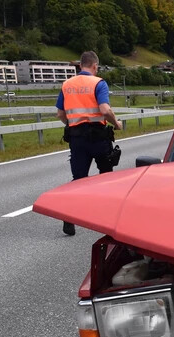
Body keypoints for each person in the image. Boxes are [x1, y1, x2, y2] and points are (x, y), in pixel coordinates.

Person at [56, 51, 123, 236]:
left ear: (80, 66)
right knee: (107, 176)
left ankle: (69, 217)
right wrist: (116, 123)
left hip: (77, 139)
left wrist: (73, 125)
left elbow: (60, 114)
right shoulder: (98, 83)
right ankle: (109, 219)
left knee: (78, 180)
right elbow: (104, 109)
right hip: (99, 137)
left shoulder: (67, 85)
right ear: (95, 66)